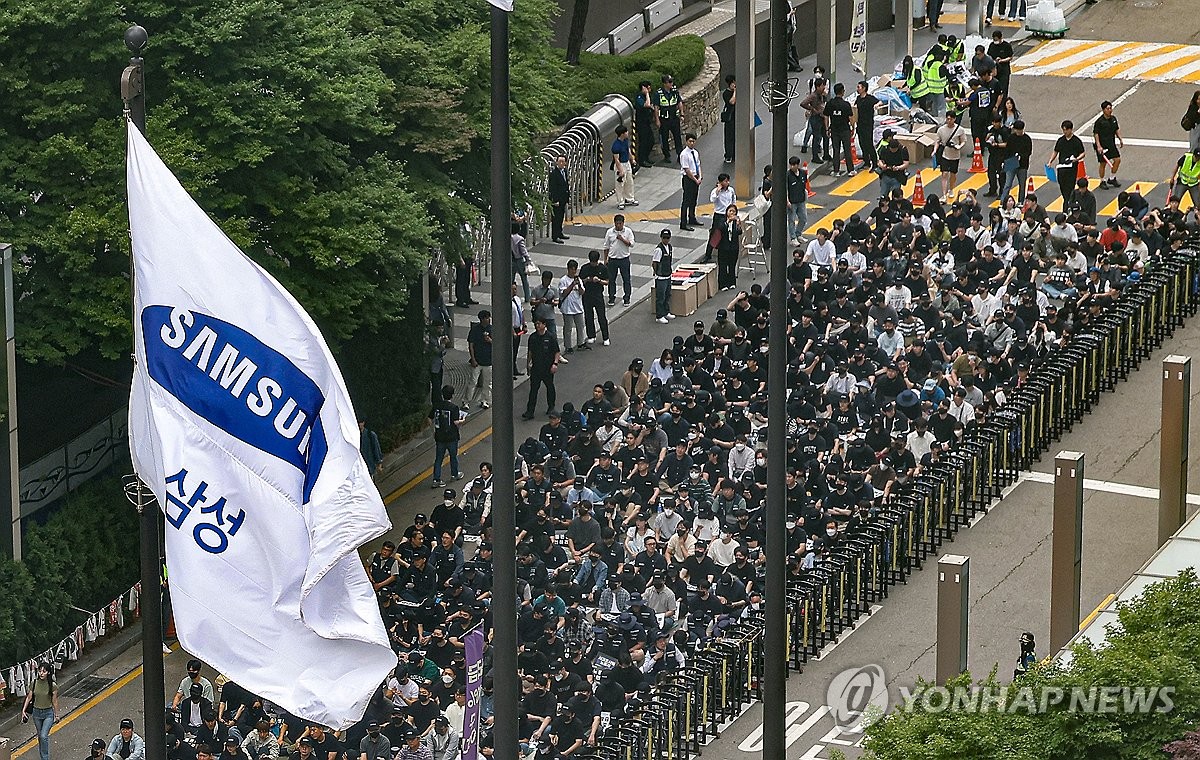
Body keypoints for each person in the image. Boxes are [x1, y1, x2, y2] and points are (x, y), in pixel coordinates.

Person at [522, 318, 562, 420]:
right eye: (536, 324)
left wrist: (555, 364)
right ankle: (530, 411)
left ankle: (551, 406)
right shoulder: (533, 337)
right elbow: (530, 352)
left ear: (544, 325)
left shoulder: (550, 337)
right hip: (536, 368)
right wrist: (528, 365)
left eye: (539, 324)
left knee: (550, 387)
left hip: (547, 368)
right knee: (533, 390)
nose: (537, 326)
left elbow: (557, 352)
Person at [21, 662, 57, 760]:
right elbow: (29, 697)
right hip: (37, 713)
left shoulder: (52, 685)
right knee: (40, 736)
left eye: (44, 671)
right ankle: (43, 756)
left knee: (44, 736)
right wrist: (23, 710)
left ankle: (45, 758)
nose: (41, 673)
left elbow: (54, 701)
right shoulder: (34, 683)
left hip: (48, 713)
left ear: (48, 673)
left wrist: (56, 714)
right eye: (40, 671)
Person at [431, 384, 465, 487]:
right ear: (452, 395)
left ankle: (436, 479)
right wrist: (462, 421)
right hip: (451, 437)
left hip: (439, 437)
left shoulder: (437, 405)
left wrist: (433, 430)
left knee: (438, 459)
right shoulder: (454, 408)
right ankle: (454, 474)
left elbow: (429, 418)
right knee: (453, 456)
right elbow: (455, 422)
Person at [1048, 120, 1086, 205]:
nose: (1065, 132)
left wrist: (1076, 159)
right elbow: (1056, 151)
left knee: (1070, 186)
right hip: (1061, 167)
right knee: (1061, 183)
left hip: (1072, 168)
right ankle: (1067, 200)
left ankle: (1067, 202)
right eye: (1063, 130)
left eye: (1066, 130)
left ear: (1071, 129)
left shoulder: (1076, 141)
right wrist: (1050, 161)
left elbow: (1082, 153)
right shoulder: (1061, 140)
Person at [579, 250, 611, 346]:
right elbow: (580, 281)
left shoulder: (603, 268)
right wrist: (586, 279)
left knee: (601, 316)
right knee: (588, 316)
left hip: (598, 295)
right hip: (587, 295)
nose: (593, 264)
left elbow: (607, 281)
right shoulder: (585, 268)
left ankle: (606, 337)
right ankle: (591, 335)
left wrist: (599, 280)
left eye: (595, 262)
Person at [935, 111, 968, 198]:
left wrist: (959, 146)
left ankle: (951, 189)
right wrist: (934, 150)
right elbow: (937, 141)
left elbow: (963, 141)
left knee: (953, 174)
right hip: (945, 154)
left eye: (951, 119)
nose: (949, 121)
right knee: (944, 173)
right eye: (947, 119)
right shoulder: (941, 129)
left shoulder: (960, 130)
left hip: (955, 155)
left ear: (954, 119)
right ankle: (944, 193)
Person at [705, 173, 736, 263]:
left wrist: (733, 210)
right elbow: (712, 199)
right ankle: (708, 254)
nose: (728, 182)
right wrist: (718, 191)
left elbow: (733, 199)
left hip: (728, 215)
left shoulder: (731, 190)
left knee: (728, 234)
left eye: (728, 180)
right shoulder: (715, 191)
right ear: (720, 182)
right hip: (719, 214)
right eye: (725, 181)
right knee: (715, 234)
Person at [604, 214, 634, 306]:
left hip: (624, 259)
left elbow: (631, 244)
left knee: (626, 279)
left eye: (620, 223)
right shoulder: (609, 232)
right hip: (613, 259)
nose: (618, 225)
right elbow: (606, 246)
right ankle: (611, 297)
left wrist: (622, 239)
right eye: (617, 223)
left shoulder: (628, 231)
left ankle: (627, 298)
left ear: (623, 223)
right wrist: (605, 259)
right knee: (611, 279)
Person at [558, 260, 587, 355]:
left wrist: (578, 284)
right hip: (567, 308)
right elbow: (563, 293)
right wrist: (572, 284)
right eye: (572, 269)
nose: (573, 272)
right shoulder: (563, 280)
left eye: (575, 270)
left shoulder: (579, 280)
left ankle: (580, 343)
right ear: (568, 269)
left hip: (578, 307)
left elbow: (582, 292)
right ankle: (568, 346)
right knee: (568, 328)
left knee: (580, 326)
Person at [466, 310, 493, 410]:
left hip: (488, 360)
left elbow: (497, 343)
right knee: (472, 381)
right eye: (486, 318)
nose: (488, 319)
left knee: (487, 383)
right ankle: (466, 401)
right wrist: (473, 359)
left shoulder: (492, 329)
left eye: (489, 317)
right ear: (481, 319)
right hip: (477, 361)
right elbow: (471, 344)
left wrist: (490, 341)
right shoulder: (475, 330)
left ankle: (485, 400)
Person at [1093, 100, 1124, 188]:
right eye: (1108, 108)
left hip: (1111, 144)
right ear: (1103, 110)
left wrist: (1120, 139)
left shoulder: (1113, 119)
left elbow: (1116, 129)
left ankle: (1112, 178)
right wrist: (1098, 146)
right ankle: (1102, 181)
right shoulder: (1099, 122)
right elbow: (1096, 134)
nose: (1110, 110)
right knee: (1103, 164)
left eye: (1111, 108)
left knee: (1117, 160)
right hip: (1102, 146)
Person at [655, 74, 685, 163]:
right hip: (664, 119)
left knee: (677, 137)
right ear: (665, 83)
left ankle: (680, 154)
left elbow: (679, 103)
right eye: (670, 82)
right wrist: (657, 120)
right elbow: (656, 107)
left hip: (674, 118)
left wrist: (682, 114)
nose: (672, 83)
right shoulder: (659, 94)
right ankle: (667, 155)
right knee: (664, 138)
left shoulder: (675, 92)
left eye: (672, 81)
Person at [827, 83, 855, 176]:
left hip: (834, 129)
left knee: (836, 150)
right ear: (842, 92)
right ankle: (851, 170)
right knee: (847, 150)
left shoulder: (830, 103)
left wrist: (827, 128)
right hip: (845, 130)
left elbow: (826, 116)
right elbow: (851, 117)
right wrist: (853, 127)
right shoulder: (846, 104)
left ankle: (836, 171)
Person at [1002, 119, 1032, 203]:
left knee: (1022, 185)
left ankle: (1020, 202)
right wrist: (1005, 161)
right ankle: (1003, 201)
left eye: (1019, 130)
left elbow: (1028, 152)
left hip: (1022, 165)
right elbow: (1007, 150)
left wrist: (1021, 156)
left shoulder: (1027, 139)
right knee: (1007, 184)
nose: (1017, 131)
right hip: (1011, 163)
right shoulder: (1011, 138)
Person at [799, 77, 829, 163]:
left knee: (825, 136)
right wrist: (812, 109)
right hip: (815, 118)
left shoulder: (822, 95)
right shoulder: (813, 95)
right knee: (817, 137)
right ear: (818, 86)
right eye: (823, 86)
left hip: (822, 117)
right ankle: (815, 156)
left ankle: (826, 154)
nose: (824, 87)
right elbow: (803, 103)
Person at [716, 206, 744, 292]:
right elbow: (720, 229)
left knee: (732, 265)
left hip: (733, 247)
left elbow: (739, 232)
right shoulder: (722, 221)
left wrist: (739, 225)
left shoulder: (736, 222)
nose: (732, 213)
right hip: (723, 247)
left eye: (734, 212)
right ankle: (722, 284)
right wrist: (728, 222)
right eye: (730, 211)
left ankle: (731, 282)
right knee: (723, 266)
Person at [876, 130, 911, 199]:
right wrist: (882, 165)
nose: (893, 151)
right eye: (892, 149)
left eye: (895, 150)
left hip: (897, 177)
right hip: (886, 176)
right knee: (883, 196)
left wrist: (898, 168)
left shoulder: (903, 150)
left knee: (896, 197)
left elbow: (906, 163)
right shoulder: (884, 149)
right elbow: (880, 160)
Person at [854, 82, 880, 172]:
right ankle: (866, 162)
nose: (857, 89)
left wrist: (877, 105)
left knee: (869, 143)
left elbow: (879, 102)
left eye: (859, 87)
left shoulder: (869, 98)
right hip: (860, 124)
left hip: (868, 124)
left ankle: (875, 163)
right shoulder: (858, 98)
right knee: (862, 143)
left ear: (864, 88)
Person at [652, 229, 676, 324]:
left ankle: (666, 312)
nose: (666, 240)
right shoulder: (658, 249)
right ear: (661, 238)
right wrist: (656, 272)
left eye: (667, 238)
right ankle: (659, 315)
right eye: (664, 238)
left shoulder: (669, 247)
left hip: (668, 275)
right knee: (660, 297)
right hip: (661, 277)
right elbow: (655, 263)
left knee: (667, 295)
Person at [611, 126, 637, 210]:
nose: (627, 133)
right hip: (621, 164)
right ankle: (620, 201)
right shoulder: (616, 146)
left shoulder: (625, 141)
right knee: (620, 184)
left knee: (629, 181)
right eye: (626, 132)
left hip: (627, 163)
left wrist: (632, 159)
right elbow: (616, 159)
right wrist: (621, 170)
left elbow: (628, 150)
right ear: (622, 134)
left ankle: (629, 198)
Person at [680, 134, 702, 231]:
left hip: (696, 177)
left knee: (694, 199)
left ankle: (692, 217)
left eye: (693, 141)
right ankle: (683, 223)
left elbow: (698, 164)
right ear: (686, 142)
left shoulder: (695, 153)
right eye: (690, 141)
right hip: (688, 179)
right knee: (686, 201)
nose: (692, 143)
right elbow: (687, 170)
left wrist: (700, 176)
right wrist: (695, 179)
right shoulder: (684, 154)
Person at [785, 156, 809, 245]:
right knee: (791, 220)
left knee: (803, 218)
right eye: (791, 165)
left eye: (794, 165)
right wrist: (787, 201)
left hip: (801, 200)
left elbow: (804, 185)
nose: (792, 167)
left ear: (798, 165)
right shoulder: (788, 175)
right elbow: (786, 189)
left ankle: (798, 234)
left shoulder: (803, 173)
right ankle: (793, 238)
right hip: (792, 202)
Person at [634, 80, 658, 166]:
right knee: (643, 142)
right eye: (648, 87)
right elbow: (647, 105)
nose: (650, 89)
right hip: (641, 123)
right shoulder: (640, 98)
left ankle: (646, 157)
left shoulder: (646, 96)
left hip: (647, 122)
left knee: (651, 141)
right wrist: (647, 94)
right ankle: (642, 160)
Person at [548, 155, 570, 244]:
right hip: (556, 200)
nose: (561, 163)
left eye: (563, 161)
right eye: (559, 161)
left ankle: (560, 232)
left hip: (563, 198)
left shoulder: (564, 171)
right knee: (556, 218)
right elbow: (552, 188)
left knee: (561, 217)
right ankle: (555, 235)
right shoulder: (554, 173)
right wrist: (554, 200)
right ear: (556, 162)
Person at [511, 224, 532, 302]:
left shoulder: (508, 237)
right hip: (519, 260)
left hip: (511, 260)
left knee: (511, 279)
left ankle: (510, 295)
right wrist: (528, 260)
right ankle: (527, 297)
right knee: (524, 279)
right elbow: (523, 251)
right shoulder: (520, 239)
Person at [721, 74, 737, 163]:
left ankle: (735, 154)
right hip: (730, 118)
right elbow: (732, 101)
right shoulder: (726, 93)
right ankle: (728, 155)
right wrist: (735, 92)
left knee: (736, 136)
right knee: (729, 136)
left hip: (737, 116)